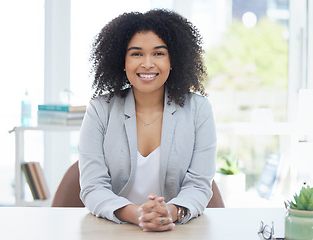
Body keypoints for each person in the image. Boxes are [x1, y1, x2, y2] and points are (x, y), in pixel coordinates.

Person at [78, 9, 217, 232]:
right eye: (136, 54)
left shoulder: (199, 110)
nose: (148, 63)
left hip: (178, 230)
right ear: (122, 61)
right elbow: (93, 187)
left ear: (173, 60)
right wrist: (137, 214)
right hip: (114, 230)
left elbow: (199, 185)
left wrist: (170, 213)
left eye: (159, 54)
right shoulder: (99, 110)